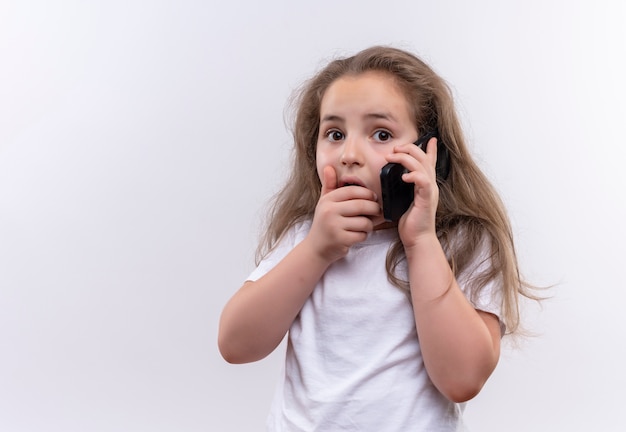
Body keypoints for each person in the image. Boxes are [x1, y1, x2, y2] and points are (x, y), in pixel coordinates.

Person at [218, 46, 536, 431]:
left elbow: (463, 379)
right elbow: (236, 344)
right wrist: (317, 250)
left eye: (381, 133)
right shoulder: (306, 236)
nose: (349, 154)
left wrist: (420, 243)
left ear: (429, 152)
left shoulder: (462, 242)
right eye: (334, 133)